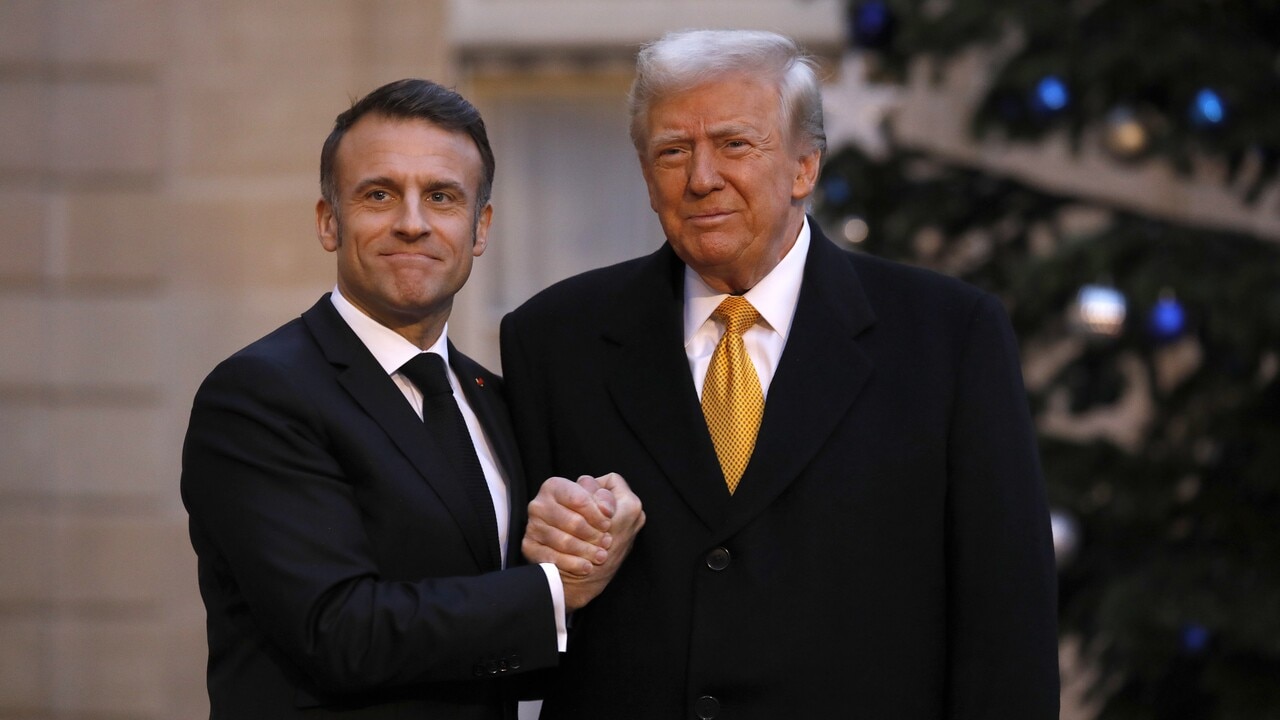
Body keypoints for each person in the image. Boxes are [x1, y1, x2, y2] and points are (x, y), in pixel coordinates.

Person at [502, 30, 1060, 718]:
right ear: (648, 179)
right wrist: (550, 580)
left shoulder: (949, 336)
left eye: (735, 144)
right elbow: (516, 625)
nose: (701, 177)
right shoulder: (554, 339)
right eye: (673, 151)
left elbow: (1008, 626)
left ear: (804, 167)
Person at [180, 78, 641, 719]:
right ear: (328, 221)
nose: (413, 223)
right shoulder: (259, 396)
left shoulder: (494, 399)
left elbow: (522, 638)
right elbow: (337, 632)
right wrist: (553, 590)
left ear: (479, 229)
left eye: (443, 197)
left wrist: (591, 530)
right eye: (379, 194)